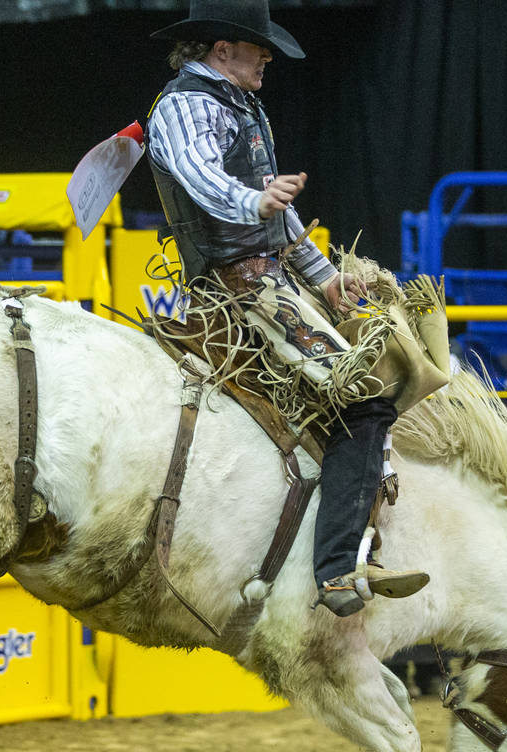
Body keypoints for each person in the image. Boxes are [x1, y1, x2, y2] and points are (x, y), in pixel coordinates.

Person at [147, 0, 428, 617]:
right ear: (222, 50)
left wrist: (323, 278)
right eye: (257, 47)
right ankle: (336, 569)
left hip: (268, 281)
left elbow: (276, 211)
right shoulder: (186, 105)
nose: (267, 57)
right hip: (239, 288)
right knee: (364, 394)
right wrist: (255, 200)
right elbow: (201, 177)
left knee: (359, 389)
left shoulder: (239, 106)